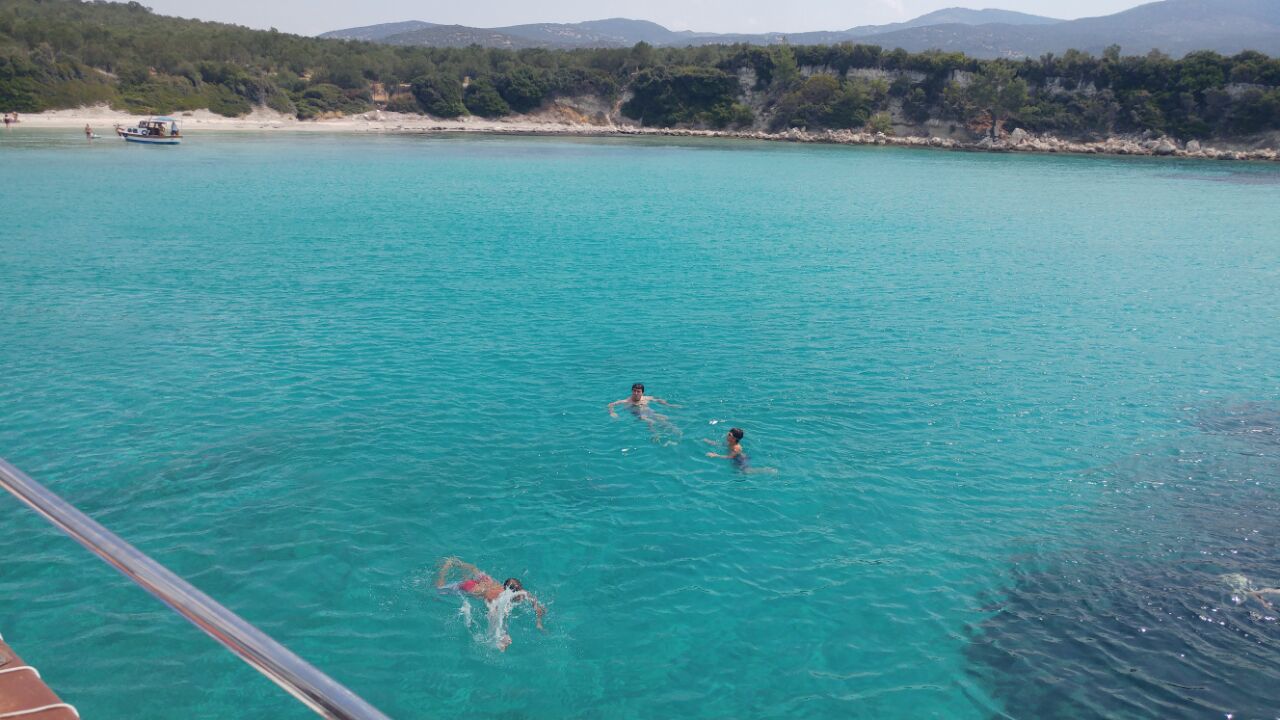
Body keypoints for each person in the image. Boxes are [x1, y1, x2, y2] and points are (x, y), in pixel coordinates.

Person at [436, 557, 545, 651]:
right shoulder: (498, 599)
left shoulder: (518, 592)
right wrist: (504, 636)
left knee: (474, 569)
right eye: (517, 595)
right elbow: (494, 617)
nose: (520, 597)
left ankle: (456, 562)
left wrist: (539, 621)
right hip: (472, 588)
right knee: (439, 589)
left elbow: (533, 600)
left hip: (486, 581)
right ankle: (444, 569)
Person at [705, 427, 776, 474]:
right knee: (738, 472)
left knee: (747, 471)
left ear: (734, 438)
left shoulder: (736, 448)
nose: (727, 434)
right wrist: (710, 442)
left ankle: (766, 470)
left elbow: (729, 457)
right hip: (736, 457)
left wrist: (715, 455)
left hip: (740, 460)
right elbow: (722, 444)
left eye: (729, 434)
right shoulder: (730, 442)